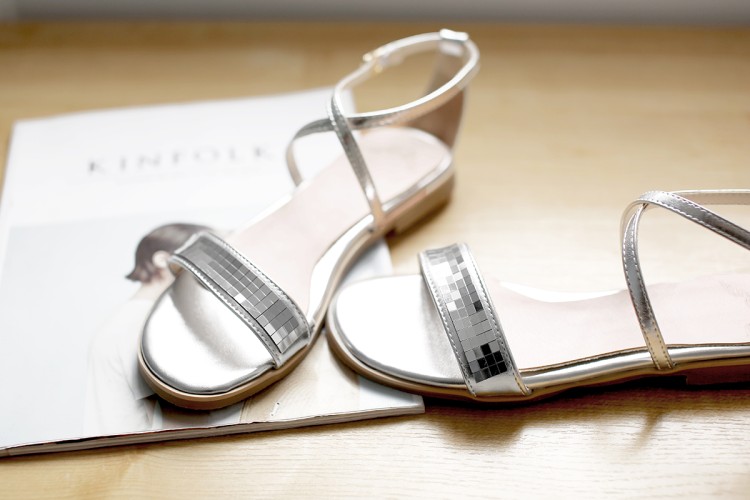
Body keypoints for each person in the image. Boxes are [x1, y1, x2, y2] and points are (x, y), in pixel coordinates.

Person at [83, 223, 239, 435]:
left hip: (124, 452)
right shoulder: (144, 322)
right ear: (162, 259)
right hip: (140, 453)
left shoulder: (127, 320)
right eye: (206, 255)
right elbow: (176, 416)